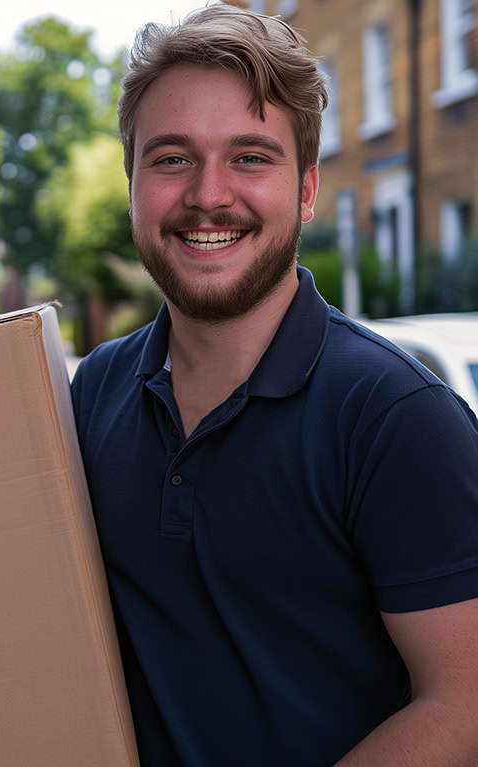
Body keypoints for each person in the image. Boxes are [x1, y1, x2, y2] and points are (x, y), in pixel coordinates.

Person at [71, 5, 478, 765]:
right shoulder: (91, 391)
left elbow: (465, 702)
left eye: (250, 157)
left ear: (305, 190)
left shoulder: (394, 418)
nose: (207, 195)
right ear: (132, 184)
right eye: (170, 158)